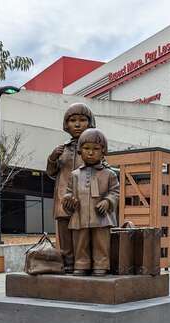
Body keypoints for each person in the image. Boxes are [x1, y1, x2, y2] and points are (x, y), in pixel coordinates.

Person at [46, 103, 95, 274]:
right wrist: (52, 158)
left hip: (84, 199)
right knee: (65, 234)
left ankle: (83, 264)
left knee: (83, 234)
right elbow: (51, 173)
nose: (77, 124)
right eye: (72, 120)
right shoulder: (63, 149)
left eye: (82, 120)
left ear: (90, 123)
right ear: (66, 124)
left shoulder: (93, 148)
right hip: (62, 198)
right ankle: (67, 264)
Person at [62, 128, 119, 276]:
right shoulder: (74, 175)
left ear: (103, 151)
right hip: (80, 215)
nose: (91, 152)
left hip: (101, 217)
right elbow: (68, 192)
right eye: (86, 148)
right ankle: (81, 264)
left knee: (101, 242)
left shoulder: (109, 174)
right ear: (80, 150)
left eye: (96, 149)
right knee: (80, 243)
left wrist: (108, 201)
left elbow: (115, 192)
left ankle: (101, 264)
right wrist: (68, 200)